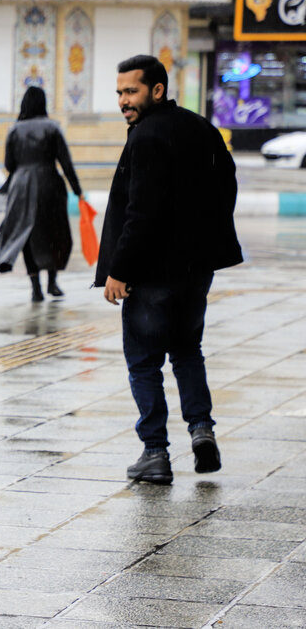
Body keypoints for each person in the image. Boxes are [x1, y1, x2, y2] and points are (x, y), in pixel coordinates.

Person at [96, 55, 242, 484]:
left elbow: (141, 212)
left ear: (157, 90)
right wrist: (203, 241)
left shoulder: (146, 136)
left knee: (144, 361)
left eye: (131, 91)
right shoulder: (201, 128)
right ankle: (201, 430)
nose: (123, 101)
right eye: (120, 93)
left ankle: (155, 452)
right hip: (195, 270)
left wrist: (120, 270)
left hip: (152, 273)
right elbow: (227, 185)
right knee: (186, 350)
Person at [0, 86, 82, 301]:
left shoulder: (14, 129)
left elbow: (9, 164)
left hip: (20, 186)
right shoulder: (53, 127)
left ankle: (36, 288)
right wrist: (77, 189)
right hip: (49, 184)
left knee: (27, 235)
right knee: (53, 233)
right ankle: (52, 282)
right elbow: (65, 162)